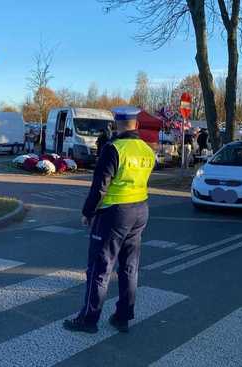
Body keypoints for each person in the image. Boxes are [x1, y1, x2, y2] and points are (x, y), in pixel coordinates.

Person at [63, 106, 155, 334]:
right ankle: (123, 317)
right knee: (129, 267)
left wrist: (88, 212)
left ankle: (88, 319)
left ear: (116, 124)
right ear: (136, 125)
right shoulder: (146, 150)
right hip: (140, 210)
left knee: (99, 267)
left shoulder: (113, 148)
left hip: (114, 213)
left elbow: (99, 187)